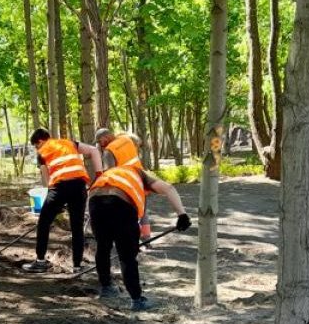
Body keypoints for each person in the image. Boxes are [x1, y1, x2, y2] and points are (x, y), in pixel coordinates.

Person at [88, 163, 191, 311]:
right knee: (127, 255)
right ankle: (137, 300)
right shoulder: (140, 174)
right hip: (121, 202)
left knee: (103, 246)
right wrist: (182, 215)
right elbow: (168, 188)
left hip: (95, 200)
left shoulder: (113, 173)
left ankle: (106, 288)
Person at [22, 128, 103, 273]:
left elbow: (47, 181)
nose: (36, 149)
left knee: (43, 223)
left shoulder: (42, 151)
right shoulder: (70, 143)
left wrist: (55, 203)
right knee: (77, 227)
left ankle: (40, 262)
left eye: (35, 146)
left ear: (40, 141)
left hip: (59, 187)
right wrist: (99, 174)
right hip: (79, 187)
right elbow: (94, 151)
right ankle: (77, 266)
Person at [95, 128, 152, 242]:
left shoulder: (109, 151)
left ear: (105, 138)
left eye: (99, 142)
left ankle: (133, 241)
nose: (100, 145)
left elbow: (109, 174)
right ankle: (147, 238)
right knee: (143, 212)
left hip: (126, 187)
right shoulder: (126, 139)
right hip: (140, 181)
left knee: (129, 215)